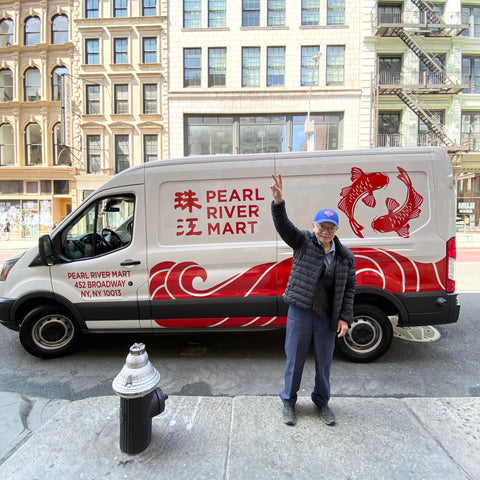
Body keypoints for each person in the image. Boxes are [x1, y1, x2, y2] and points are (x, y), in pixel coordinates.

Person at [270, 174, 356, 426]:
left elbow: (350, 288)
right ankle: (288, 402)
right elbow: (284, 226)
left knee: (324, 362)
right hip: (301, 310)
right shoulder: (303, 242)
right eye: (322, 226)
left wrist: (344, 318)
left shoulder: (345, 257)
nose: (325, 231)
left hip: (327, 316)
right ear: (314, 226)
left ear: (336, 230)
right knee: (294, 359)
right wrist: (278, 202)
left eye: (330, 228)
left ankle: (322, 402)